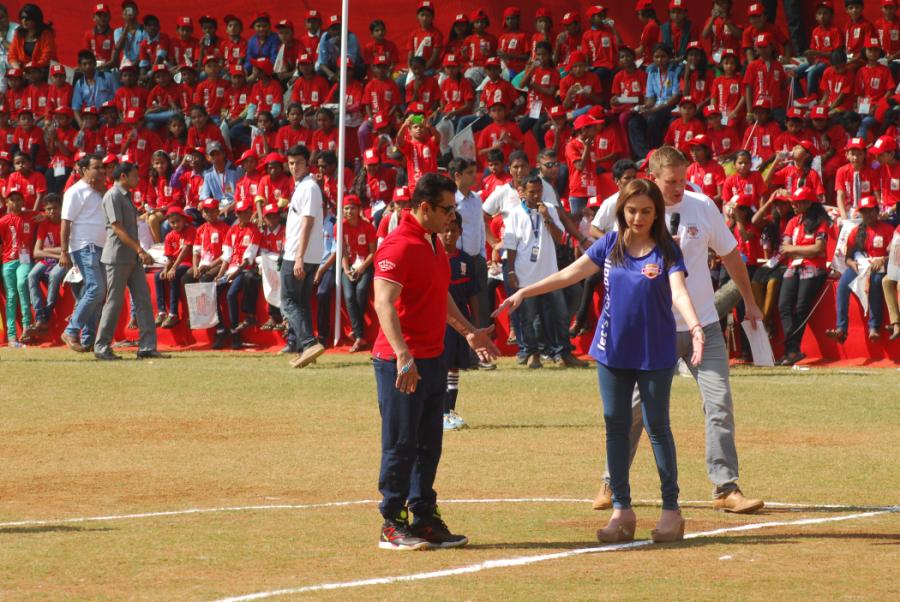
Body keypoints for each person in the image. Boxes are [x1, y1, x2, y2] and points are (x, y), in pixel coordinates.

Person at [496, 178, 703, 544]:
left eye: (646, 211)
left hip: (655, 351)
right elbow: (570, 273)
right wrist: (525, 291)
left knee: (657, 427)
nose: (638, 217)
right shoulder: (609, 244)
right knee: (615, 425)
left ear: (657, 213)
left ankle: (671, 510)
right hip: (612, 350)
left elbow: (679, 291)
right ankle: (622, 511)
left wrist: (695, 326)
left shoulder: (667, 251)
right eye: (632, 210)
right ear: (621, 211)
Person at [588, 146, 765, 515]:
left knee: (719, 404)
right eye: (671, 181)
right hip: (655, 331)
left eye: (684, 179)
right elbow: (600, 245)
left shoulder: (703, 206)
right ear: (652, 177)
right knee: (635, 411)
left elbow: (731, 253)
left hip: (704, 324)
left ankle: (725, 487)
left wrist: (748, 300)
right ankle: (610, 481)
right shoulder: (634, 208)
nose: (679, 188)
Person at [372, 172, 498, 551]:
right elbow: (383, 303)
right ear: (424, 207)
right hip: (402, 362)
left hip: (432, 358)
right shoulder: (397, 247)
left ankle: (424, 517)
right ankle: (392, 523)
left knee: (429, 444)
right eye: (447, 210)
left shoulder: (432, 244)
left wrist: (468, 332)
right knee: (400, 443)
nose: (452, 218)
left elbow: (439, 294)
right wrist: (403, 355)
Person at [93, 161, 164, 361]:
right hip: (117, 257)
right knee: (114, 302)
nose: (137, 179)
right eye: (134, 175)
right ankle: (101, 347)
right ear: (123, 176)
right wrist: (140, 250)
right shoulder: (113, 196)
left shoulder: (125, 196)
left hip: (131, 257)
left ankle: (147, 346)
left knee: (143, 300)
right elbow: (117, 228)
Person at [827, 195, 894, 343]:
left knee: (876, 282)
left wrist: (883, 260)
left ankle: (874, 327)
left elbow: (896, 256)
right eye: (864, 212)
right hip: (861, 267)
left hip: (882, 268)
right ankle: (841, 330)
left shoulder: (888, 229)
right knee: (843, 285)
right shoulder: (856, 231)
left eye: (870, 211)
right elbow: (848, 257)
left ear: (877, 211)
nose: (867, 215)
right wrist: (852, 264)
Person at [281, 144, 325, 368]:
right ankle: (307, 348)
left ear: (307, 163)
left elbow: (307, 223)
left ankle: (308, 343)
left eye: (298, 162)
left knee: (288, 302)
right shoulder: (305, 187)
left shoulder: (308, 187)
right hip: (309, 254)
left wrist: (298, 256)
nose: (294, 166)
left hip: (299, 254)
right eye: (290, 163)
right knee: (301, 303)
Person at [59, 153, 107, 352]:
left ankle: (88, 339)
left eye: (102, 167)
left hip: (102, 247)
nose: (101, 171)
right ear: (84, 169)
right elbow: (65, 222)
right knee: (96, 289)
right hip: (84, 246)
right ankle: (71, 330)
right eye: (96, 167)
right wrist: (64, 251)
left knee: (96, 292)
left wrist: (103, 190)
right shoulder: (74, 191)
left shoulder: (101, 189)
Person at [778, 186, 830, 365]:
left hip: (814, 268)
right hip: (794, 267)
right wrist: (803, 251)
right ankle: (792, 349)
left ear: (808, 203)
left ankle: (791, 351)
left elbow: (819, 248)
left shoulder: (821, 221)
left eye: (797, 202)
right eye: (793, 202)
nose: (793, 205)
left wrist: (795, 249)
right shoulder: (793, 222)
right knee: (783, 305)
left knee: (800, 308)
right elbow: (784, 249)